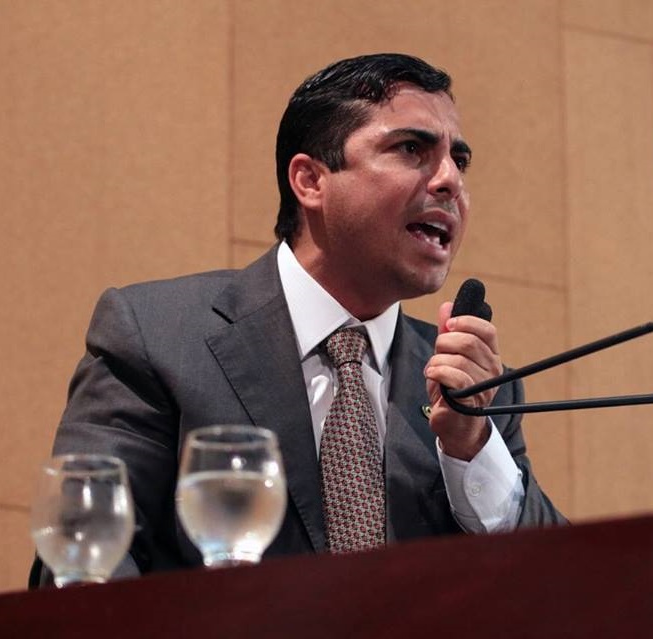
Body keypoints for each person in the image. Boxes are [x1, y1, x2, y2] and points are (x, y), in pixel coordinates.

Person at [30, 53, 565, 585]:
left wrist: (472, 450)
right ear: (310, 180)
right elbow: (82, 562)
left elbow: (563, 586)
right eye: (411, 149)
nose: (449, 181)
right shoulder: (158, 337)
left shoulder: (478, 390)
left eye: (460, 161)